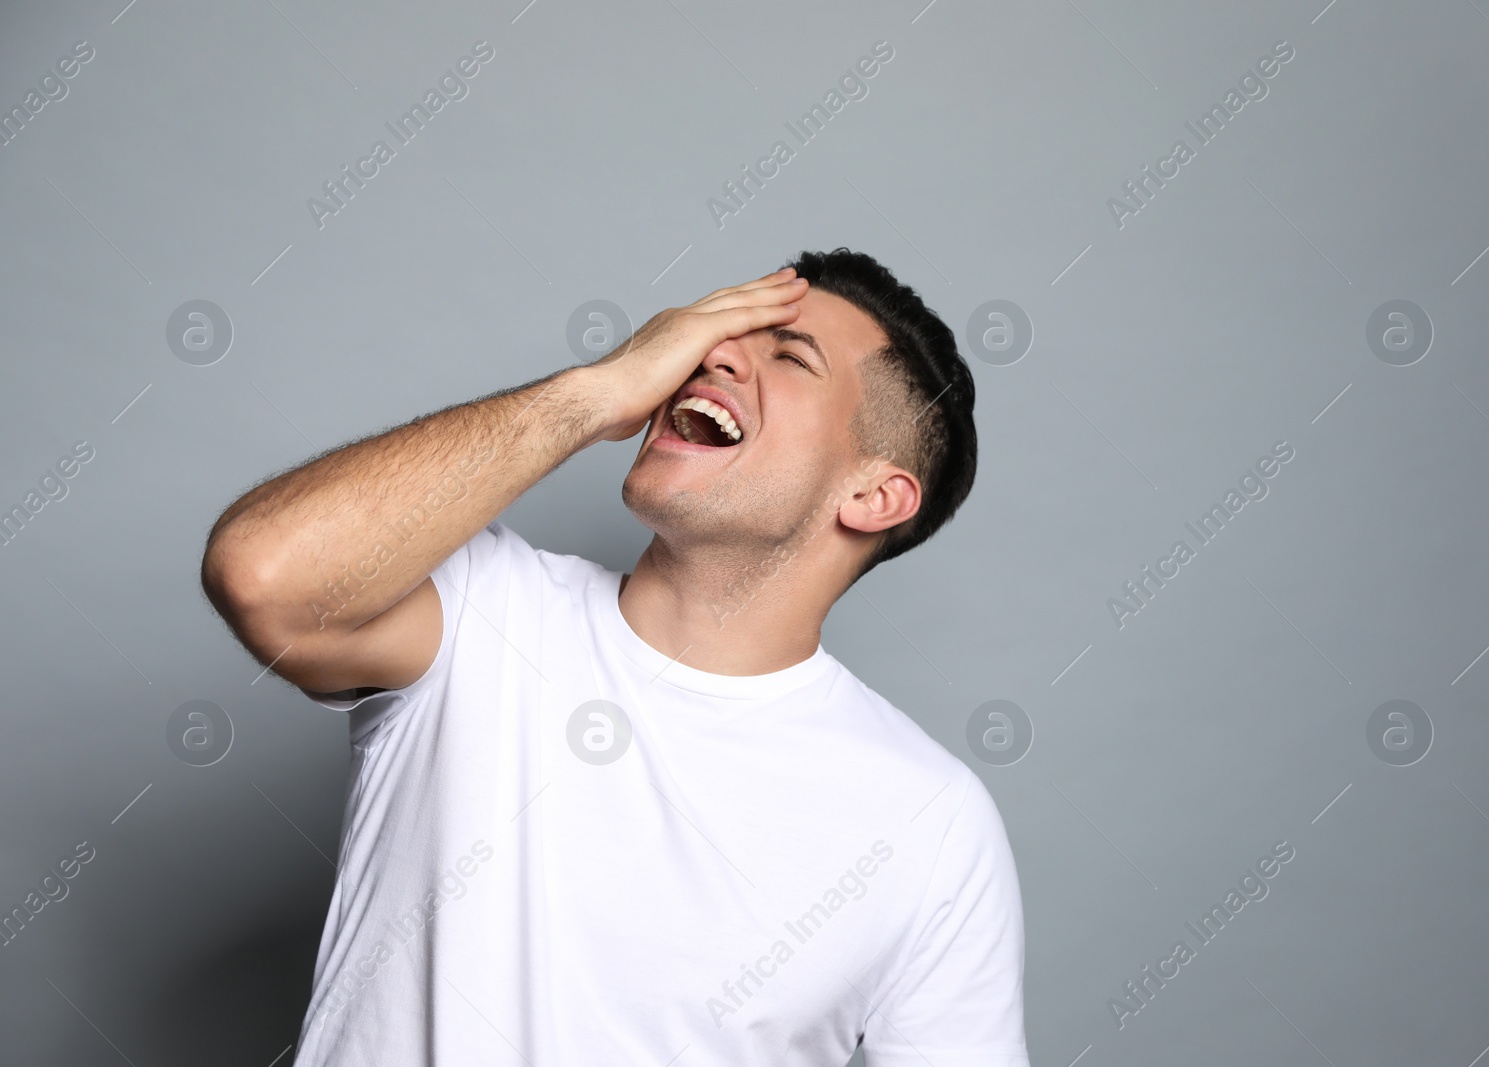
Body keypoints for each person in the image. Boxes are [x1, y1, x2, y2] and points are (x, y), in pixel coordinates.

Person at [201, 248, 1030, 1065]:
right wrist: (593, 394)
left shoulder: (934, 822)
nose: (712, 351)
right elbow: (261, 575)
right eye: (717, 331)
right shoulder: (483, 610)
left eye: (788, 354)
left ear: (873, 495)